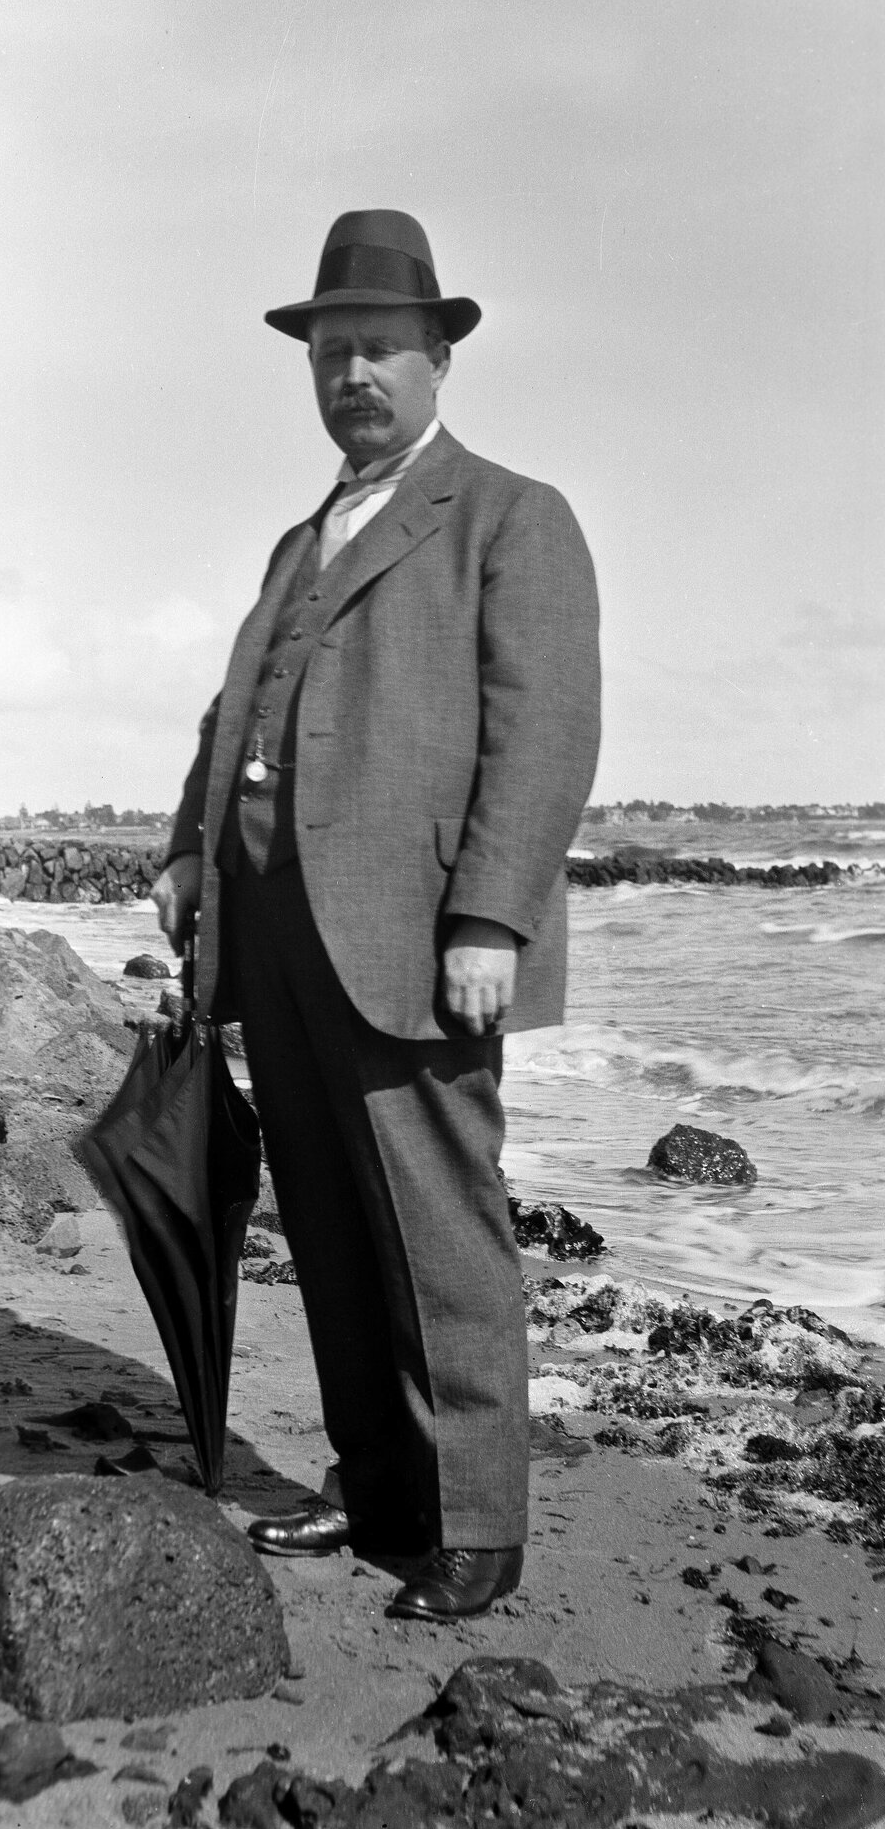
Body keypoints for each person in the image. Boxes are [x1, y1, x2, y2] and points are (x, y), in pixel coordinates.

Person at [152, 209, 600, 1620]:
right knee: (333, 1224)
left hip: (416, 933)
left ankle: (476, 1522)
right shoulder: (302, 537)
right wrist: (188, 854)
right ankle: (379, 1484)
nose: (354, 374)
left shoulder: (513, 515)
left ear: (438, 359)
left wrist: (492, 920)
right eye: (332, 351)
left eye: (382, 349)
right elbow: (233, 712)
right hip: (276, 931)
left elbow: (546, 735)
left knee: (439, 1223)